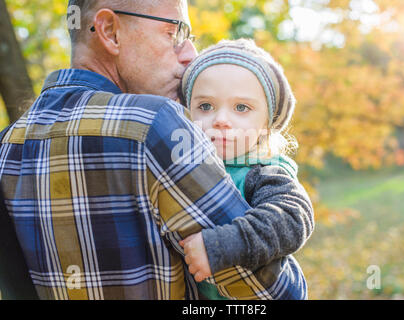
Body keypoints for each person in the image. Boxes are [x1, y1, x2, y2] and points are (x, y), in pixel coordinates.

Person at [0, 0, 309, 299]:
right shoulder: (154, 124)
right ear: (109, 30)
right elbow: (274, 292)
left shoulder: (7, 144)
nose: (190, 54)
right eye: (174, 33)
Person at [178, 39, 314, 300]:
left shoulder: (264, 171)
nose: (220, 120)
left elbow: (292, 217)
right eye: (205, 106)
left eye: (241, 107)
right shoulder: (181, 168)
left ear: (266, 122)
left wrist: (222, 245)